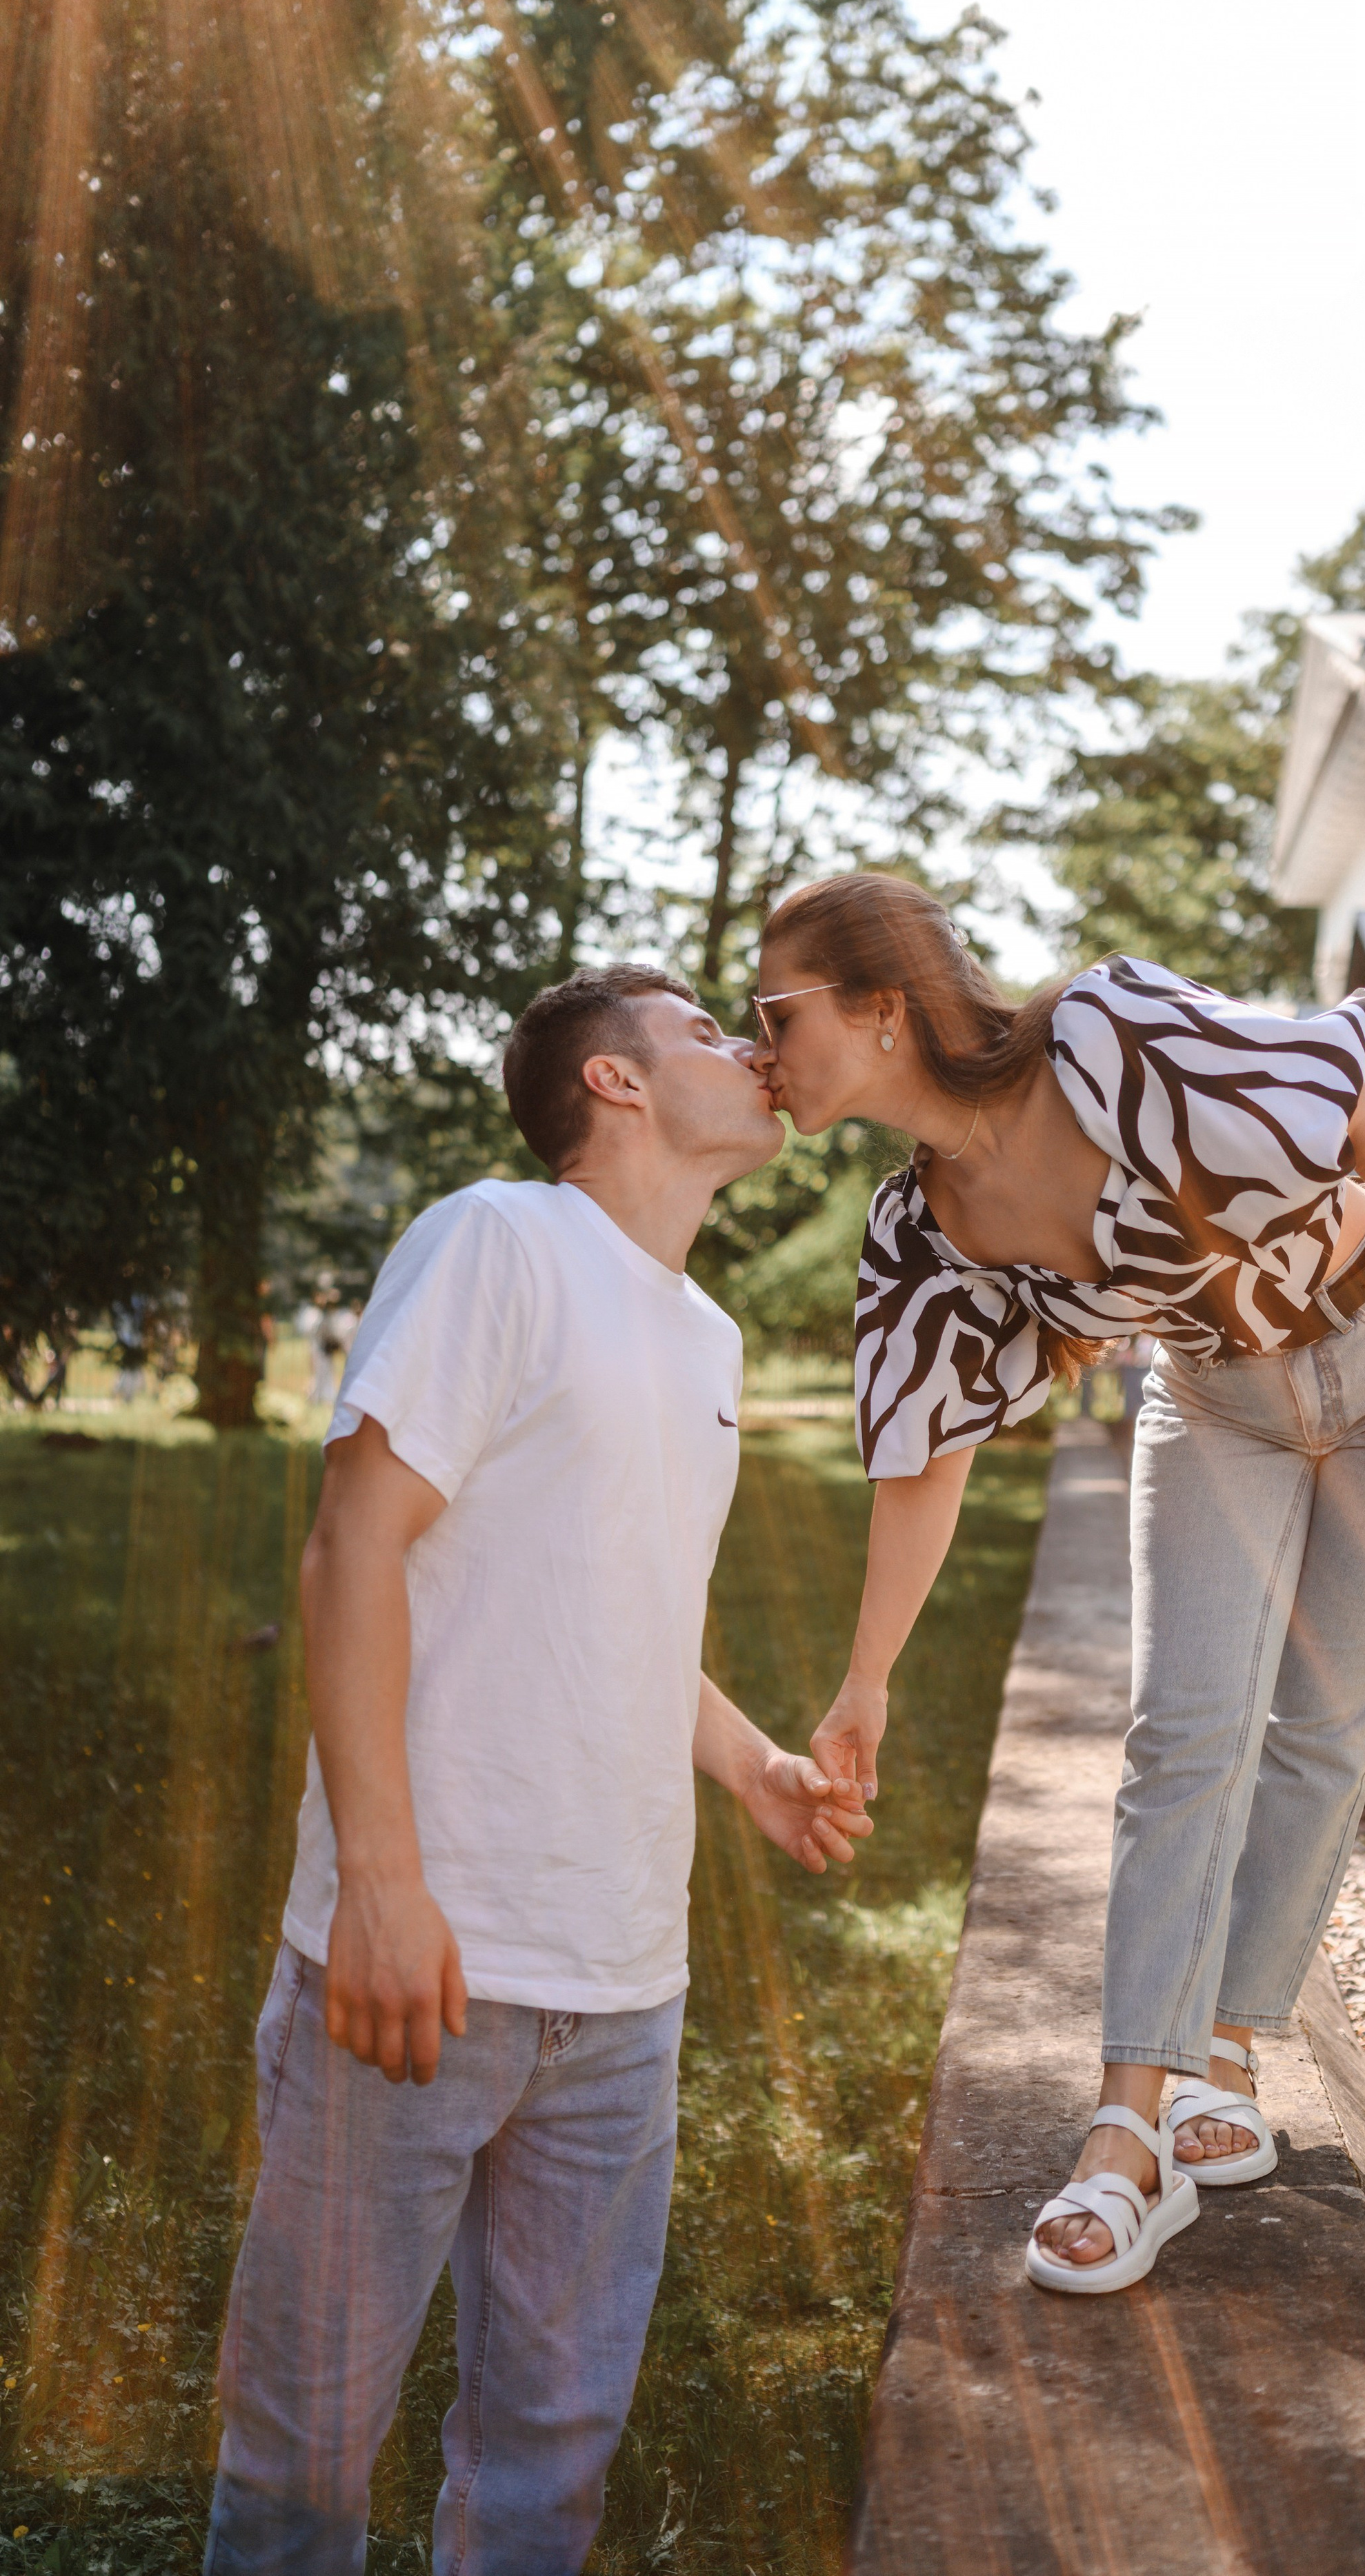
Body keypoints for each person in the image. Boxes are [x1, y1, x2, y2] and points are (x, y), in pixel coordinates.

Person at [750, 875, 1365, 2297]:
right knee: (1181, 1736)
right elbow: (926, 1458)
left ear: (882, 1009)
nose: (756, 1046)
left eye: (775, 1013)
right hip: (1216, 1401)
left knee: (1322, 1730)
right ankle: (1124, 2141)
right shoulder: (920, 1229)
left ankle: (1225, 2054)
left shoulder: (1102, 1032)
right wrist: (866, 1678)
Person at [204, 963, 872, 2574]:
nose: (751, 1046)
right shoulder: (497, 1239)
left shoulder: (705, 1337)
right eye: (705, 1028)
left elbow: (618, 1602)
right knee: (304, 2452)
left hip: (623, 1987)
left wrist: (747, 1764)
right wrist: (379, 1887)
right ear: (613, 1081)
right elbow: (353, 1548)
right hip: (423, 1961)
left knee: (549, 2461)